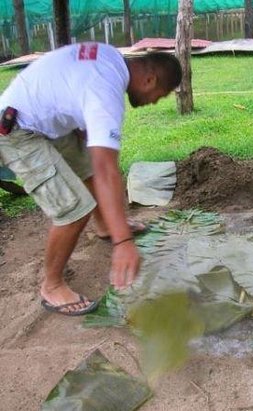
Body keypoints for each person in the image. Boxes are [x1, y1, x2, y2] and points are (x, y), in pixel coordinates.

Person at [0, 42, 182, 316]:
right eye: (161, 94)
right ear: (150, 79)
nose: (156, 101)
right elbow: (107, 168)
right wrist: (124, 243)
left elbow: (76, 87)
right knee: (74, 208)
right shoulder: (107, 92)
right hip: (17, 130)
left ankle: (105, 226)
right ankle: (52, 286)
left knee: (89, 171)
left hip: (46, 118)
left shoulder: (111, 59)